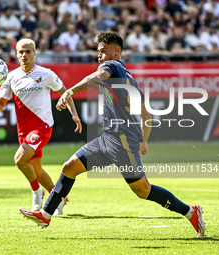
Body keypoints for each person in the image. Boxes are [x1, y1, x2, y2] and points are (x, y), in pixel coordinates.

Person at [19, 32, 206, 238]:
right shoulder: (130, 78)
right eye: (98, 52)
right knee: (69, 167)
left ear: (116, 51)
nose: (99, 56)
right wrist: (144, 140)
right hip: (109, 138)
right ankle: (46, 214)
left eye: (103, 51)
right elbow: (146, 114)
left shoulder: (112, 67)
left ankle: (191, 212)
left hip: (123, 140)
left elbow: (96, 77)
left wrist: (69, 91)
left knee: (142, 190)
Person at [0, 38, 82, 214]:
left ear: (35, 53)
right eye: (21, 52)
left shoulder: (46, 74)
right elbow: (1, 102)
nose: (24, 55)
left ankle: (37, 192)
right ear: (16, 54)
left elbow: (65, 93)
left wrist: (74, 114)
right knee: (36, 170)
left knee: (19, 160)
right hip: (23, 130)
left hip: (42, 126)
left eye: (28, 51)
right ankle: (59, 197)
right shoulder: (11, 77)